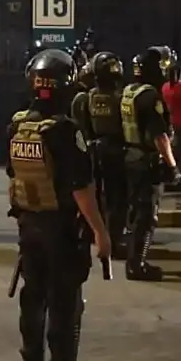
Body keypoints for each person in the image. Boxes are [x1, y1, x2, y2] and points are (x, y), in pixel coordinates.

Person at [7, 48, 111, 361]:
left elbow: (15, 176)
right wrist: (101, 231)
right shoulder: (65, 130)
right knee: (65, 304)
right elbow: (81, 188)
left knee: (32, 297)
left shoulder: (19, 124)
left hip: (28, 224)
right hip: (62, 230)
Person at [120, 46, 179, 280]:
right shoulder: (150, 97)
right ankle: (137, 265)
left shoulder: (129, 91)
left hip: (130, 157)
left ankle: (134, 260)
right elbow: (160, 136)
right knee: (147, 216)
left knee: (135, 212)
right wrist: (172, 165)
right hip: (147, 161)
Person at [73, 52, 130, 258]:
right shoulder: (122, 97)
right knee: (117, 198)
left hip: (91, 150)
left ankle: (86, 233)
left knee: (92, 195)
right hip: (115, 150)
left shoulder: (84, 98)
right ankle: (114, 240)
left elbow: (81, 127)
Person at [161, 66, 181, 191]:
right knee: (179, 152)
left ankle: (170, 177)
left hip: (169, 122)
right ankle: (176, 179)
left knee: (171, 150)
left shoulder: (164, 87)